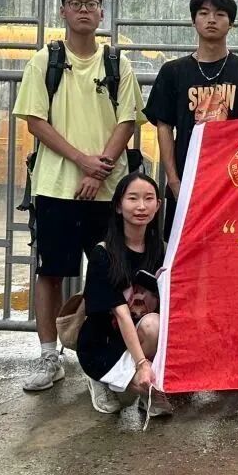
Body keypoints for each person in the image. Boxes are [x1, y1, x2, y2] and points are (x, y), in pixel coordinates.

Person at [13, 0, 144, 393]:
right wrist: (82, 162)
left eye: (91, 3)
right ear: (63, 11)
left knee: (112, 275)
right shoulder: (44, 62)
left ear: (102, 12)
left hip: (109, 192)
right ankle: (49, 356)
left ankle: (107, 358)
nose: (84, 10)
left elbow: (127, 121)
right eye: (75, 3)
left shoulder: (118, 64)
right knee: (51, 271)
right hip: (56, 187)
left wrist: (96, 171)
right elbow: (36, 121)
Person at [144, 0, 238, 239]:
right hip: (186, 179)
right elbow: (164, 126)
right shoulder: (173, 72)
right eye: (203, 13)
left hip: (232, 186)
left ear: (231, 23)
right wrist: (174, 180)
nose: (211, 19)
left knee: (228, 249)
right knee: (182, 248)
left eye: (220, 14)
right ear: (193, 20)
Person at [77, 172, 171, 416]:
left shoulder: (163, 251)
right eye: (133, 198)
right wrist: (141, 364)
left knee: (154, 324)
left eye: (149, 198)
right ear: (118, 205)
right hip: (104, 344)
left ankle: (144, 385)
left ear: (158, 205)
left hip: (141, 336)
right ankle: (99, 378)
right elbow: (121, 315)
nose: (141, 206)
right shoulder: (103, 254)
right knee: (143, 385)